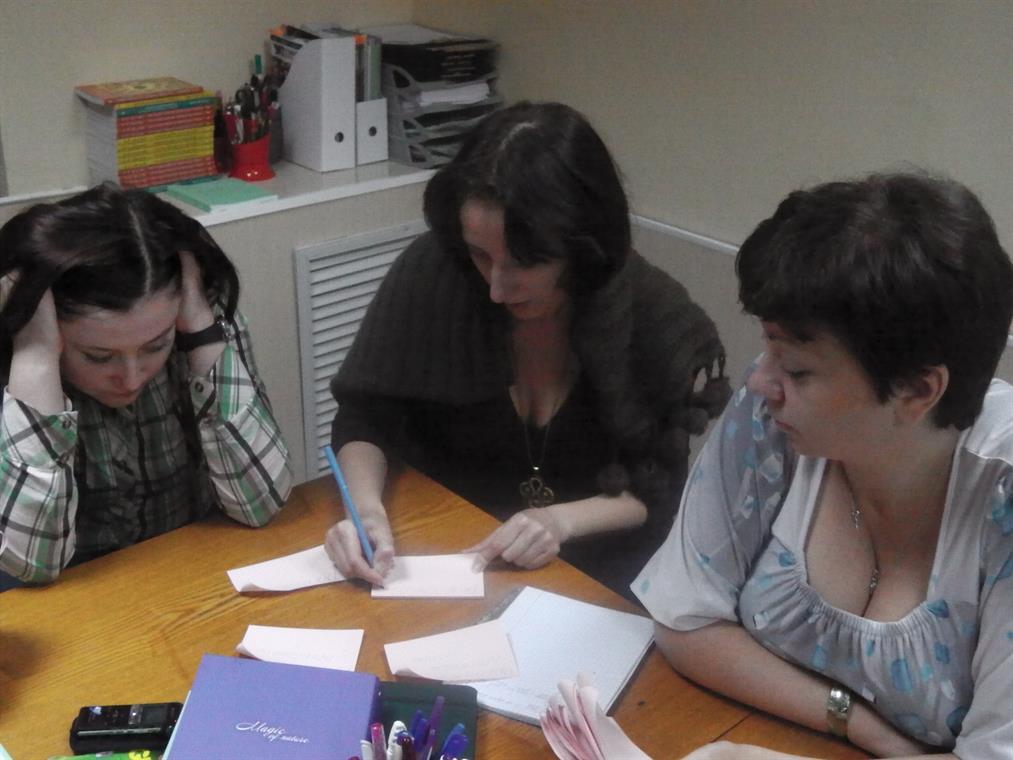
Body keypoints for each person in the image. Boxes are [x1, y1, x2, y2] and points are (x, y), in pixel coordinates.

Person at [634, 173, 1013, 759]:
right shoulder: (775, 418)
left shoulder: (1000, 492)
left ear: (918, 390)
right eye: (769, 350)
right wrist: (859, 724)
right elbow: (683, 616)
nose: (761, 382)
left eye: (798, 370)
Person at [325, 101, 730, 598]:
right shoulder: (435, 273)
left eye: (523, 262)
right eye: (480, 255)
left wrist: (559, 521)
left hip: (596, 575)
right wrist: (365, 511)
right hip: (449, 551)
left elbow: (658, 483)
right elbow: (365, 417)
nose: (497, 288)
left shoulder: (650, 313)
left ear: (581, 248)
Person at [0, 183, 293, 586]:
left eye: (156, 345)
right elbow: (34, 564)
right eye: (98, 357)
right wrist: (35, 358)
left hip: (187, 576)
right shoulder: (20, 357)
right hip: (71, 598)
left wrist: (201, 331)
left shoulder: (202, 325)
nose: (132, 377)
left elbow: (260, 503)